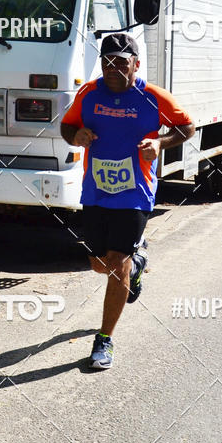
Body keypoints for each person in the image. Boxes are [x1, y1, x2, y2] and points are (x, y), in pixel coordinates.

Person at [61, 32, 194, 369]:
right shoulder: (89, 94)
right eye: (108, 61)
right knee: (99, 264)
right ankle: (137, 265)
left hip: (135, 194)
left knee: (116, 263)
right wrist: (75, 136)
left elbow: (187, 126)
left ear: (135, 64)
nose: (113, 67)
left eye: (121, 61)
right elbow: (66, 126)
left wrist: (160, 144)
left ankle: (104, 340)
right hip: (95, 192)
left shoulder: (152, 96)